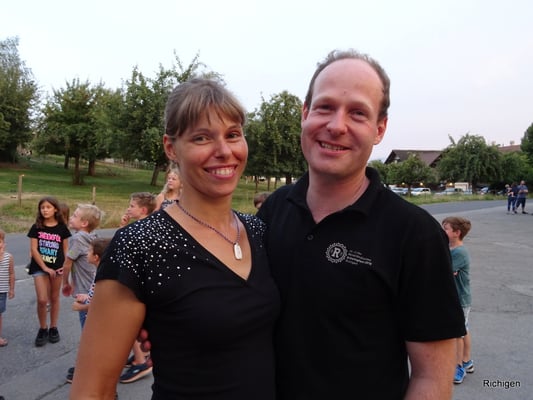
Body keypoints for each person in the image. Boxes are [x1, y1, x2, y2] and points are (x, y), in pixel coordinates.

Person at [256, 49, 466, 399]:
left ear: (379, 129)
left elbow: (432, 378)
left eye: (357, 113)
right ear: (305, 114)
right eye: (325, 107)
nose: (337, 126)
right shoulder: (274, 210)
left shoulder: (414, 234)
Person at [70, 78, 280, 400]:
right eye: (201, 137)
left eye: (233, 134)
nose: (224, 151)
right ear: (171, 148)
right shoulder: (139, 245)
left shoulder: (260, 231)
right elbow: (91, 391)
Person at [118, 192, 156, 384]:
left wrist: (123, 229)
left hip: (137, 286)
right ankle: (140, 355)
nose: (128, 208)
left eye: (132, 206)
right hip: (144, 284)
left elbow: (120, 251)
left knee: (130, 325)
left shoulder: (139, 231)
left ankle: (141, 362)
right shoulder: (148, 227)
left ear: (143, 210)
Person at [66, 237, 112, 383]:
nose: (86, 253)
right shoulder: (100, 272)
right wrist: (86, 297)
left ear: (96, 257)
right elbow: (96, 296)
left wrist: (81, 307)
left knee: (92, 345)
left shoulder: (102, 277)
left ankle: (90, 374)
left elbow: (102, 304)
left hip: (95, 318)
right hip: (93, 315)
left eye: (89, 251)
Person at [27, 196, 71, 346]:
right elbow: (34, 249)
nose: (45, 210)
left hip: (57, 267)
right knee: (42, 299)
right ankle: (42, 328)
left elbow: (65, 249)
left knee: (54, 298)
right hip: (39, 267)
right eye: (42, 208)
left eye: (48, 207)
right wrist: (45, 267)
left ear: (55, 209)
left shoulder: (62, 228)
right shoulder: (36, 227)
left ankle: (53, 327)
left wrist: (65, 266)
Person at [442, 216, 474, 384]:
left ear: (457, 233)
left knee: (457, 333)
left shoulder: (459, 252)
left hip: (460, 299)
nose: (443, 231)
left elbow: (443, 270)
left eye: (446, 229)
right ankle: (467, 360)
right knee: (463, 329)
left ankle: (459, 366)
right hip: (457, 297)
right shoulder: (450, 248)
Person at [62, 204, 103, 328]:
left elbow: (68, 263)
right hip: (94, 286)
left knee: (86, 324)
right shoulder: (93, 236)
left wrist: (65, 283)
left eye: (75, 216)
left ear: (84, 223)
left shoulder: (77, 239)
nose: (71, 218)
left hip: (84, 289)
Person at [0, 228, 15, 347]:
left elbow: (11, 273)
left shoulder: (8, 257)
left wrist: (11, 289)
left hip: (2, 292)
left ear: (3, 243)